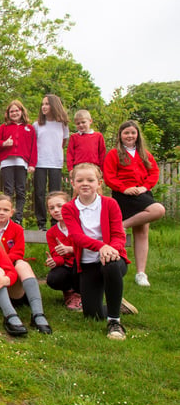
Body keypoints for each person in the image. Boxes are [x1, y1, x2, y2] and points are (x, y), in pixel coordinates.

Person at [61, 163, 139, 340]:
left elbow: (119, 235)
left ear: (99, 183)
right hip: (89, 264)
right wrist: (101, 246)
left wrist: (110, 249)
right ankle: (117, 304)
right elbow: (76, 237)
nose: (85, 183)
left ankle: (114, 322)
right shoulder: (69, 208)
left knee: (110, 266)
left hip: (113, 258)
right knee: (91, 314)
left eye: (90, 180)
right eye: (80, 180)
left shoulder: (110, 204)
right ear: (73, 183)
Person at [103, 120, 165, 287]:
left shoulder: (144, 154)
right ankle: (111, 268)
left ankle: (141, 273)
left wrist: (144, 187)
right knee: (158, 209)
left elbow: (154, 172)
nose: (130, 136)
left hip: (142, 194)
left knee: (143, 232)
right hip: (123, 195)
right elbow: (109, 176)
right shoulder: (114, 154)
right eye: (126, 133)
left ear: (137, 135)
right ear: (120, 135)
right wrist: (124, 189)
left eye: (133, 133)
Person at [0, 195, 52, 334]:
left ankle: (37, 314)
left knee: (22, 264)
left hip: (12, 270)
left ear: (11, 212)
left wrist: (5, 262)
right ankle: (10, 315)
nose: (1, 212)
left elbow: (18, 252)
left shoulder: (17, 229)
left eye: (5, 209)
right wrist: (1, 263)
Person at [0, 100, 37, 224]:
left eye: (16, 110)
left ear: (21, 112)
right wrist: (4, 144)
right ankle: (7, 217)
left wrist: (32, 164)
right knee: (8, 190)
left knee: (21, 190)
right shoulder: (3, 128)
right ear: (8, 113)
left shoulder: (29, 128)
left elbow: (34, 148)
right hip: (7, 163)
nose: (14, 113)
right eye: (11, 111)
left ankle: (18, 218)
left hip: (22, 163)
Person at [33, 94, 69, 230]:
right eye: (43, 104)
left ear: (54, 105)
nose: (44, 107)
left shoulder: (62, 124)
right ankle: (41, 223)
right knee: (39, 193)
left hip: (55, 162)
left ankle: (55, 223)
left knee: (55, 193)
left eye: (47, 104)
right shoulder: (37, 125)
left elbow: (63, 142)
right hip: (40, 163)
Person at [44, 191, 81, 311]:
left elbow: (88, 249)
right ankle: (69, 292)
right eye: (52, 208)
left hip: (82, 264)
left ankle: (80, 293)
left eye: (60, 206)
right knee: (53, 278)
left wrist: (70, 249)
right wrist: (54, 261)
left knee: (78, 264)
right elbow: (57, 255)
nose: (56, 210)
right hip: (66, 266)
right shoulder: (52, 233)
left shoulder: (79, 225)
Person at [66, 109, 105, 175]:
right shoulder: (74, 137)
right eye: (78, 123)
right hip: (78, 167)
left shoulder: (98, 136)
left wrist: (102, 169)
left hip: (94, 167)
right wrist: (70, 169)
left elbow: (102, 153)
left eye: (83, 122)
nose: (81, 125)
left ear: (90, 121)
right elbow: (70, 153)